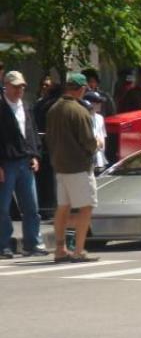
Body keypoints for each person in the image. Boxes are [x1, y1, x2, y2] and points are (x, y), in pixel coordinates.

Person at [45, 73, 98, 263]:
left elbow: (49, 139)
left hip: (60, 166)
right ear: (81, 89)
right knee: (86, 208)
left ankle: (60, 249)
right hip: (78, 166)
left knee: (63, 207)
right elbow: (88, 141)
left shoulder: (53, 109)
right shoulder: (79, 111)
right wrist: (97, 143)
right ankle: (79, 250)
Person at [0, 71, 48, 258]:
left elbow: (32, 132)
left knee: (31, 207)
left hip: (25, 161)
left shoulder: (26, 106)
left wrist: (35, 155)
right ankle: (3, 244)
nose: (20, 90)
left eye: (22, 86)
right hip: (6, 163)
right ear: (7, 86)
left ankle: (32, 243)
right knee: (3, 207)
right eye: (16, 86)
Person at [83, 91, 109, 173]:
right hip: (89, 159)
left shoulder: (100, 118)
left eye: (100, 102)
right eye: (97, 102)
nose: (100, 104)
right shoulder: (84, 118)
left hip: (100, 158)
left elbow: (103, 136)